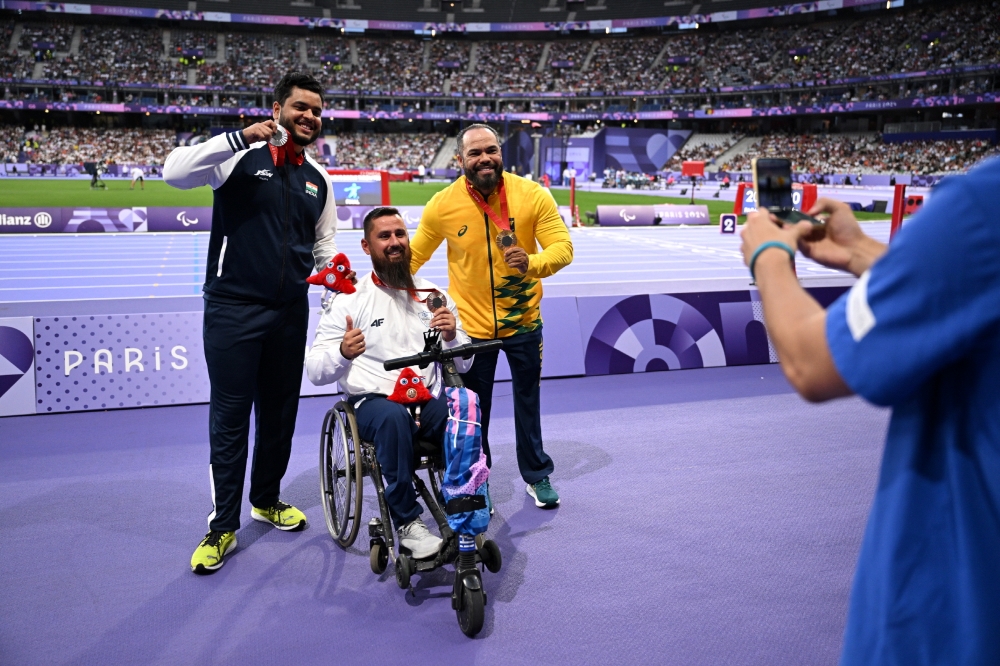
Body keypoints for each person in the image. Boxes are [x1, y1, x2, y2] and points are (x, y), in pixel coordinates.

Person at [739, 156, 1000, 665]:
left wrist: (767, 254)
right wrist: (859, 250)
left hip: (953, 619)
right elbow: (970, 297)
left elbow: (811, 363)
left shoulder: (982, 205)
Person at [164, 72, 341, 575]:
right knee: (231, 418)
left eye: (316, 111)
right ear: (278, 108)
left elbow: (323, 241)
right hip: (233, 311)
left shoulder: (318, 178)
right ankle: (222, 526)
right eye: (300, 107)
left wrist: (331, 277)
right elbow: (172, 172)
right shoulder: (237, 156)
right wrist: (240, 136)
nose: (309, 117)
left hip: (290, 312)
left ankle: (266, 498)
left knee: (281, 413)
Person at [411, 124, 574, 509]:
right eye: (475, 153)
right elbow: (413, 257)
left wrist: (532, 263)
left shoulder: (531, 194)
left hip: (524, 323)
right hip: (470, 330)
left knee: (528, 401)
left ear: (501, 152)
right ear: (461, 160)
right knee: (473, 412)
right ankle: (477, 479)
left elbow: (563, 248)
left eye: (491, 150)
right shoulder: (443, 204)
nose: (485, 158)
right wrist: (373, 286)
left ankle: (537, 474)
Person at [306, 207, 471, 558]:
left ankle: (461, 500)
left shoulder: (433, 295)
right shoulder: (349, 300)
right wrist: (342, 352)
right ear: (367, 247)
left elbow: (464, 361)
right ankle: (408, 521)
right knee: (393, 419)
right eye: (385, 236)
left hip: (425, 400)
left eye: (400, 234)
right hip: (373, 403)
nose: (395, 242)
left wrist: (454, 336)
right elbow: (316, 371)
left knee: (462, 412)